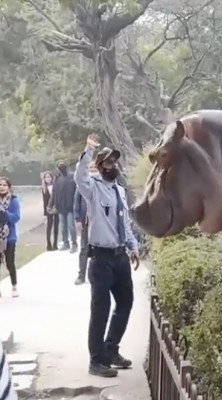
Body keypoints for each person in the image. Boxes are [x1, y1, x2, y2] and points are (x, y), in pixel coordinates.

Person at [74, 133, 140, 378]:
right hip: (100, 260)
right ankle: (96, 360)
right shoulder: (92, 187)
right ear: (101, 166)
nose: (113, 166)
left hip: (120, 257)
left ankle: (111, 350)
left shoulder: (120, 191)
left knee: (125, 304)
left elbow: (125, 224)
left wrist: (132, 246)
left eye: (115, 162)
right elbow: (79, 176)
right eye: (109, 162)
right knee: (100, 310)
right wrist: (88, 149)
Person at [73, 162, 98, 285]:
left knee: (99, 250)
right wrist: (77, 219)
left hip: (98, 224)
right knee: (84, 249)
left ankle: (97, 276)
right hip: (85, 223)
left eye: (95, 168)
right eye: (90, 168)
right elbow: (76, 203)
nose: (93, 170)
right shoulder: (81, 186)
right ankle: (81, 275)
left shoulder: (101, 185)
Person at [49, 161, 78, 253]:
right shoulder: (56, 179)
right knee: (63, 227)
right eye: (59, 166)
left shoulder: (72, 176)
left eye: (63, 165)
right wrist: (50, 205)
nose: (61, 167)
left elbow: (77, 191)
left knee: (71, 226)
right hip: (60, 207)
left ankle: (74, 244)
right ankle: (66, 243)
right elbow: (53, 193)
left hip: (70, 206)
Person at [0, 177, 20, 298]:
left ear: (9, 187)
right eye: (0, 184)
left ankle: (14, 286)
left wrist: (5, 213)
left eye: (4, 185)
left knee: (9, 262)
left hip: (10, 237)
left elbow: (16, 217)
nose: (2, 187)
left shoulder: (13, 200)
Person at [41, 171, 59, 251]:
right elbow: (44, 201)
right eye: (46, 177)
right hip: (49, 209)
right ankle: (49, 244)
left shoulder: (56, 186)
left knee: (56, 226)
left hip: (57, 208)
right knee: (49, 226)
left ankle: (55, 244)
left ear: (52, 177)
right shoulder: (44, 189)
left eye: (49, 177)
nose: (48, 179)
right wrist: (45, 213)